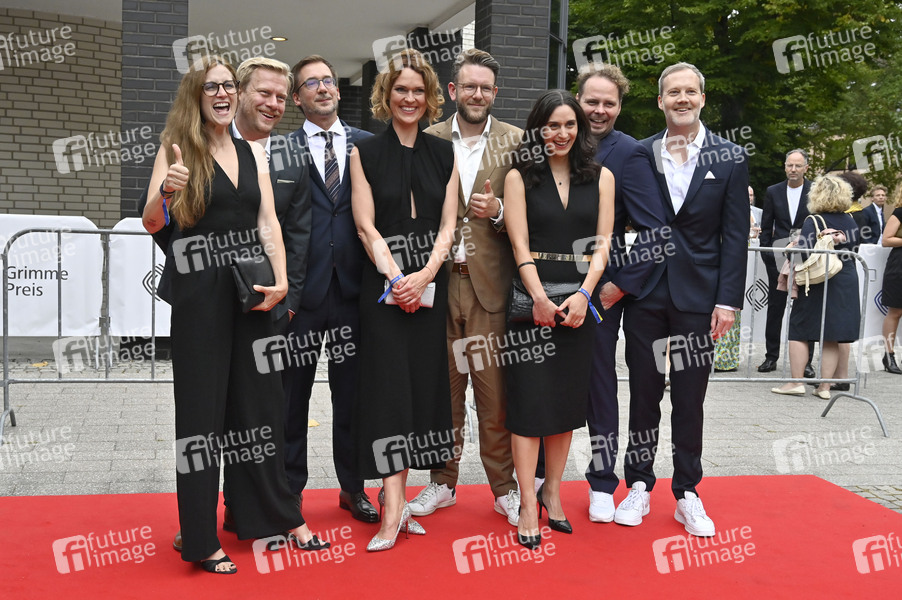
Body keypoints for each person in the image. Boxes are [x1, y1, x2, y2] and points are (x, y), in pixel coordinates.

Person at [141, 55, 327, 574]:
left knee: (261, 410)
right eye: (211, 87)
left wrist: (282, 280)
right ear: (195, 96)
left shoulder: (251, 153)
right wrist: (167, 189)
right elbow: (151, 221)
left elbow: (268, 222)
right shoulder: (177, 148)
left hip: (252, 295)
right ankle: (200, 538)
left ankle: (276, 515)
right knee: (202, 418)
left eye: (227, 85)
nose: (222, 93)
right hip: (200, 298)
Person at [617, 62, 749, 537]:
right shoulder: (640, 152)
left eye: (690, 92)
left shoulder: (730, 156)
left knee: (690, 398)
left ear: (702, 99)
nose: (682, 99)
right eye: (673, 92)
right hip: (647, 292)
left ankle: (688, 491)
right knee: (643, 393)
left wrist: (728, 301)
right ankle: (638, 483)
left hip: (699, 297)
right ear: (660, 101)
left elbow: (735, 235)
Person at [350, 48, 459, 551]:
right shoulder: (365, 152)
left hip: (431, 289)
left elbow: (449, 226)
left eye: (418, 90)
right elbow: (365, 225)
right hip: (383, 291)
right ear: (386, 95)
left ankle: (402, 495)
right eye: (401, 90)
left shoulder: (445, 154)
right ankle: (393, 506)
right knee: (387, 394)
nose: (409, 98)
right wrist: (398, 279)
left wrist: (426, 276)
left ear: (430, 96)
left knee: (419, 392)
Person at [412, 49, 523, 525]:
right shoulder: (427, 139)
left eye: (485, 88)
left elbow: (529, 216)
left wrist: (497, 212)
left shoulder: (516, 141)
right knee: (443, 392)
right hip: (437, 286)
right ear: (454, 90)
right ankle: (442, 482)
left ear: (495, 93)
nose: (477, 94)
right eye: (469, 86)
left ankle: (504, 488)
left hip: (489, 288)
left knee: (493, 395)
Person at [504, 90, 614, 549]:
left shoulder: (601, 177)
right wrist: (538, 299)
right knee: (529, 405)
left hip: (578, 304)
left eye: (569, 124)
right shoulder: (519, 176)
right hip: (530, 301)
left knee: (566, 405)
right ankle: (528, 502)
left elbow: (603, 245)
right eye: (552, 125)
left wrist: (585, 295)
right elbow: (518, 244)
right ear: (538, 129)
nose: (561, 133)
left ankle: (553, 490)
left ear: (580, 128)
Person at [280, 55, 378, 524]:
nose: (322, 88)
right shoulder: (279, 151)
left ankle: (353, 488)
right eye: (310, 84)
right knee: (290, 399)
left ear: (338, 90)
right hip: (300, 296)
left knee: (354, 398)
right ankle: (287, 494)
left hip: (355, 294)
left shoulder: (368, 146)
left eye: (327, 81)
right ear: (296, 98)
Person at [574, 65, 667, 522]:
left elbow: (655, 229)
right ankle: (547, 476)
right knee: (563, 381)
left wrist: (619, 286)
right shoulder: (558, 140)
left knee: (605, 384)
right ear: (577, 99)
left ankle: (603, 482)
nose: (599, 110)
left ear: (619, 107)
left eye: (608, 103)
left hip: (609, 287)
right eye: (592, 101)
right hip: (556, 282)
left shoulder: (630, 153)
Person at [772, 175, 860, 399]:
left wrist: (791, 248)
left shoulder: (814, 220)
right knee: (831, 334)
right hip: (845, 279)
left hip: (818, 281)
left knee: (799, 330)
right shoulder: (851, 220)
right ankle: (825, 387)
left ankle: (796, 382)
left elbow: (803, 254)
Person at [758, 150, 813, 376]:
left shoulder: (814, 190)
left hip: (806, 253)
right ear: (785, 166)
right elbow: (766, 225)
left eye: (798, 166)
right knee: (776, 307)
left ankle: (806, 362)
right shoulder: (773, 191)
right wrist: (768, 254)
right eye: (790, 165)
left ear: (806, 168)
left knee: (806, 308)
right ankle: (771, 356)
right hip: (779, 252)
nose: (793, 169)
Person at [880, 193, 902, 374]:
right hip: (899, 267)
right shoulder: (900, 212)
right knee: (895, 311)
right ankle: (889, 355)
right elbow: (886, 240)